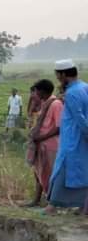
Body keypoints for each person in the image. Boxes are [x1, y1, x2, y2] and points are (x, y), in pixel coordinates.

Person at [45, 59, 88, 215]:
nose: (57, 77)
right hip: (81, 139)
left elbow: (80, 118)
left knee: (61, 169)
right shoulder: (85, 87)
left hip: (72, 138)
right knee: (82, 171)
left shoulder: (72, 93)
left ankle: (52, 206)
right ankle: (83, 206)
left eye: (58, 74)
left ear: (63, 74)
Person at [25, 79, 63, 207]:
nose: (34, 93)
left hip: (51, 145)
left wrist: (42, 137)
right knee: (38, 172)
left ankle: (53, 203)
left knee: (50, 174)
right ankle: (37, 200)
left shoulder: (55, 104)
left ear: (41, 91)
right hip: (41, 144)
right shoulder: (45, 103)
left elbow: (59, 127)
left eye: (36, 91)